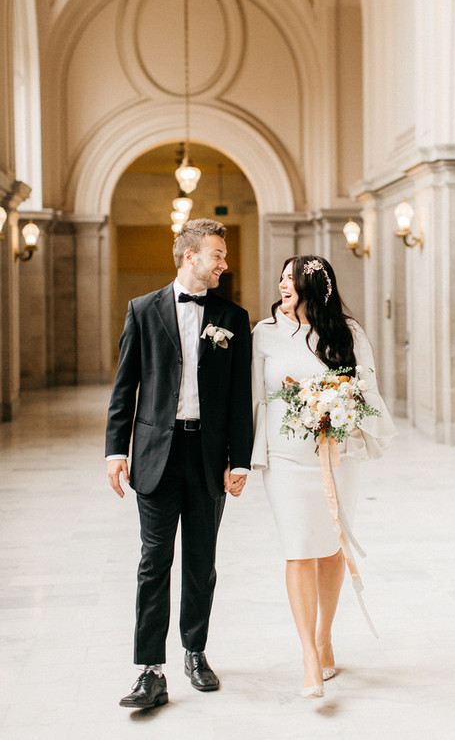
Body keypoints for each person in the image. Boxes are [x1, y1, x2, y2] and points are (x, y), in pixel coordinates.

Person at [106, 218, 253, 709]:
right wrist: (115, 451)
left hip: (208, 457)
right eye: (217, 254)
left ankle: (195, 652)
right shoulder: (142, 310)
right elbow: (125, 387)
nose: (224, 263)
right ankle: (150, 670)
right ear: (190, 256)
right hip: (156, 455)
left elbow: (239, 396)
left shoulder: (233, 317)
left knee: (201, 562)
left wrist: (240, 461)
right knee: (154, 562)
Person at [251, 255, 396, 698]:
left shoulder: (348, 333)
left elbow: (366, 390)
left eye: (291, 279)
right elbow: (253, 397)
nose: (283, 285)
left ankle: (324, 636)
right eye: (281, 278)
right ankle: (308, 658)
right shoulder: (264, 333)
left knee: (332, 549)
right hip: (285, 458)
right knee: (298, 549)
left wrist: (342, 411)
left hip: (336, 458)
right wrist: (242, 458)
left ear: (315, 287)